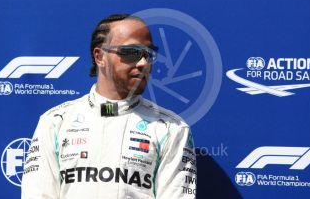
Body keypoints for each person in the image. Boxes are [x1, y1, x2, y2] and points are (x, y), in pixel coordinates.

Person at [21, 14, 197, 199]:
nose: (144, 63)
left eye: (148, 54)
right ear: (100, 56)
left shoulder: (171, 128)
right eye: (131, 52)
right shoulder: (55, 122)